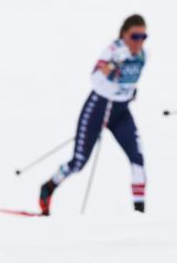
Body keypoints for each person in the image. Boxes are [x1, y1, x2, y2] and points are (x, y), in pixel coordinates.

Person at [38, 14, 148, 215]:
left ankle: (139, 215)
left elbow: (131, 81)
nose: (139, 41)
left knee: (137, 159)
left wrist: (131, 92)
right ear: (124, 34)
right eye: (135, 36)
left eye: (143, 37)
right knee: (79, 162)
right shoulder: (113, 50)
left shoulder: (142, 56)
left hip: (121, 111)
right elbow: (96, 79)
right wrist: (114, 64)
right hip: (98, 107)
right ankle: (48, 187)